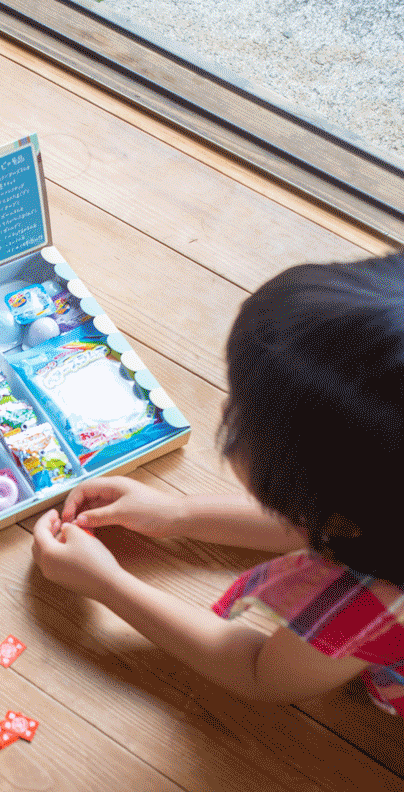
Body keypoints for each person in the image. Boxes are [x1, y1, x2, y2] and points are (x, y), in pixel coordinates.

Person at [32, 252, 404, 711]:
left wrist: (108, 584)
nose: (226, 412)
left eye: (246, 420)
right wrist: (176, 514)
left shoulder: (369, 603)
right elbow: (323, 520)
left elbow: (257, 672)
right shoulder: (380, 506)